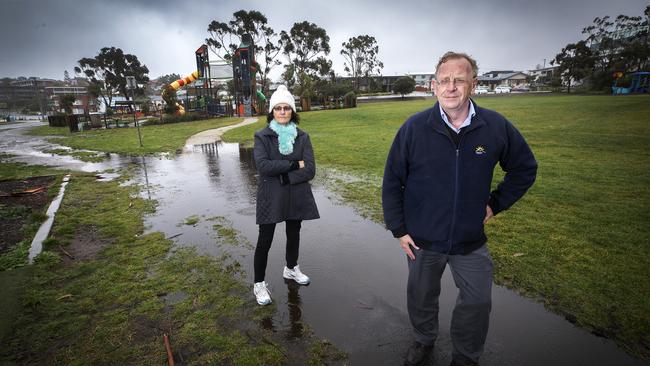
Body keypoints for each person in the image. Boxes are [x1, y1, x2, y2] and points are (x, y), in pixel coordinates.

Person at [382, 52, 537, 366]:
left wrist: (495, 203)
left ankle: (466, 356)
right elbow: (392, 180)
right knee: (421, 297)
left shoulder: (494, 126)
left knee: (478, 302)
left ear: (473, 84)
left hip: (470, 238)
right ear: (434, 85)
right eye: (444, 81)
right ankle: (424, 340)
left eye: (459, 80)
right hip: (422, 239)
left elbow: (524, 168)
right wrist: (399, 229)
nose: (451, 87)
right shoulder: (414, 128)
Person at [252, 85, 320, 306]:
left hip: (295, 192)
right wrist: (293, 164)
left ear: (292, 111)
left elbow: (309, 169)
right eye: (278, 108)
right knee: (265, 239)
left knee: (294, 233)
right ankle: (259, 284)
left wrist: (285, 176)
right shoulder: (262, 136)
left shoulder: (302, 136)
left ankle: (291, 268)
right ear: (272, 111)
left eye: (287, 108)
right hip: (270, 196)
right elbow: (263, 166)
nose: (282, 112)